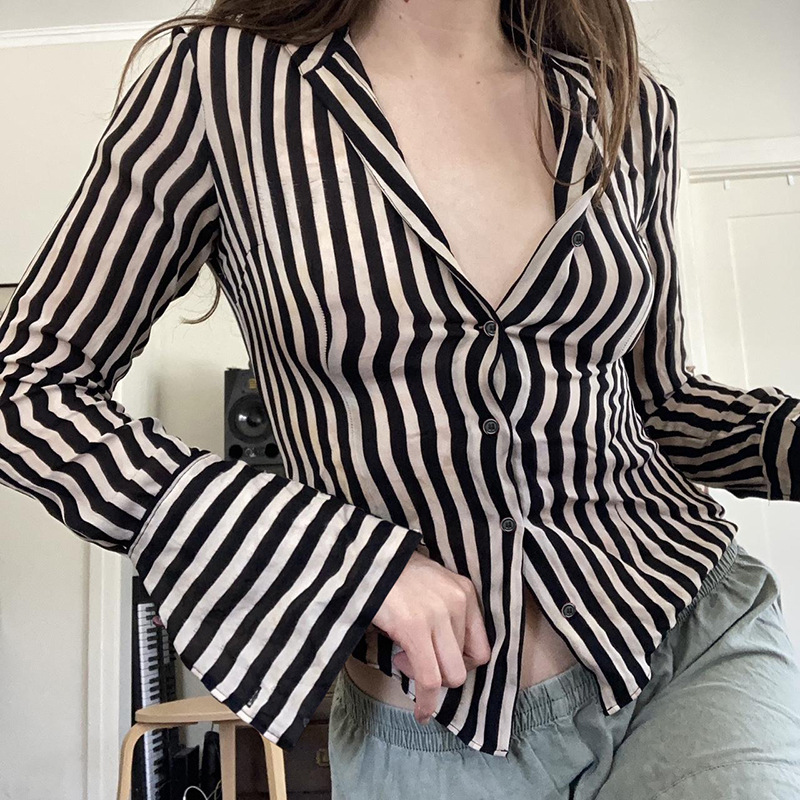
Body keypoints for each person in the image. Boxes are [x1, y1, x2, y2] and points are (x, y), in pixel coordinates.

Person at [1, 1, 800, 798]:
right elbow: (26, 387)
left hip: (685, 639)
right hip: (429, 728)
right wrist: (342, 560)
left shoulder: (629, 108)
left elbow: (660, 403)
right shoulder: (217, 86)